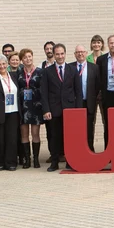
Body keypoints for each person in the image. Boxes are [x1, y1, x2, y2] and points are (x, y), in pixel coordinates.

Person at [42, 44, 81, 172]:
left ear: (65, 54)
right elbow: (44, 92)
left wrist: (78, 110)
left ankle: (70, 161)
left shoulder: (72, 69)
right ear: (54, 54)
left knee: (69, 137)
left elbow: (78, 91)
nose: (60, 56)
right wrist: (46, 110)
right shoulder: (47, 71)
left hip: (70, 109)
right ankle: (54, 162)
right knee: (54, 136)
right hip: (54, 110)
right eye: (57, 54)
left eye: (62, 53)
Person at [17, 48, 43, 168]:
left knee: (35, 133)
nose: (28, 59)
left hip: (36, 106)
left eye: (29, 56)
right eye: (25, 57)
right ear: (22, 60)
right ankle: (27, 159)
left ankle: (36, 159)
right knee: (24, 134)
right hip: (23, 106)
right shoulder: (18, 73)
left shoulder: (40, 72)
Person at [97, 35, 114, 149]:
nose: (113, 45)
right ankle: (108, 151)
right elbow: (99, 78)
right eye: (111, 43)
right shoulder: (101, 59)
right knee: (108, 125)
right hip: (108, 95)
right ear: (107, 44)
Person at [72, 45, 100, 152]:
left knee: (89, 128)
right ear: (75, 54)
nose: (80, 54)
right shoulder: (70, 67)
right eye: (78, 52)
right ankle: (78, 150)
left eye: (82, 52)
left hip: (89, 102)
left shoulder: (94, 67)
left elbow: (97, 85)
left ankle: (90, 149)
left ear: (86, 53)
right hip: (75, 103)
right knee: (77, 128)